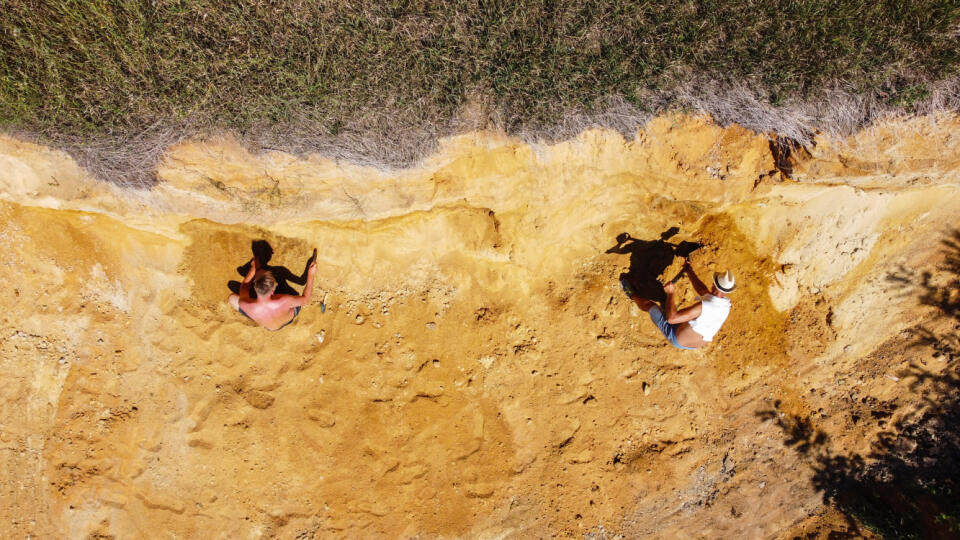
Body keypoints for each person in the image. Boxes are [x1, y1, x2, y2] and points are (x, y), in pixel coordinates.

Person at [621, 259, 734, 349]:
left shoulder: (705, 306)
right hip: (696, 344)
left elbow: (672, 319)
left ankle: (631, 294)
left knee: (652, 306)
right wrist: (689, 270)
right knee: (684, 314)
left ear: (714, 284)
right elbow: (703, 291)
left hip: (676, 338)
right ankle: (668, 306)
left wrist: (671, 293)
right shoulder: (725, 304)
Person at [228, 249, 318, 331]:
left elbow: (245, 285)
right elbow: (305, 300)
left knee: (231, 299)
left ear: (255, 287)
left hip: (269, 326)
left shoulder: (245, 304)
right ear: (273, 290)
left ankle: (261, 318)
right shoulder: (284, 300)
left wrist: (254, 268)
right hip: (287, 319)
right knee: (292, 297)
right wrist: (311, 275)